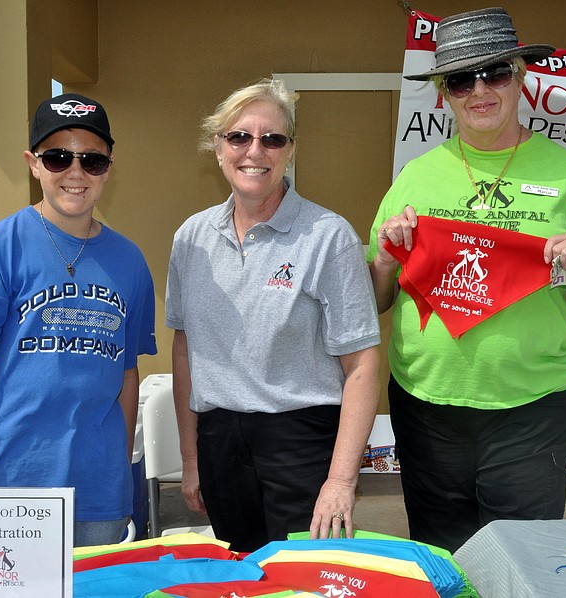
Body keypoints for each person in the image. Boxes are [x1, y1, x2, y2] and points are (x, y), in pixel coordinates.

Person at [368, 8, 566, 553]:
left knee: (521, 560)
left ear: (521, 77)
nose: (480, 90)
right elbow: (375, 299)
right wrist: (389, 261)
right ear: (444, 94)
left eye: (495, 73)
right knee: (442, 559)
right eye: (461, 80)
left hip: (532, 410)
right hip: (426, 407)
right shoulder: (415, 176)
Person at [0, 93, 157, 547]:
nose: (75, 172)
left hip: (100, 496)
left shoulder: (130, 262)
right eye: (57, 157)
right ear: (33, 164)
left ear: (108, 168)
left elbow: (127, 374)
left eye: (92, 160)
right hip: (13, 491)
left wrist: (116, 466)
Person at [165, 78, 381, 552]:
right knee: (240, 573)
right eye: (239, 136)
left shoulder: (329, 236)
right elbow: (185, 350)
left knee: (305, 575)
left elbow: (362, 365)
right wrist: (191, 458)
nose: (254, 151)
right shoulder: (191, 239)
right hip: (219, 440)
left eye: (272, 139)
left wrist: (340, 481)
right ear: (218, 147)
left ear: (290, 151)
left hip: (301, 443)